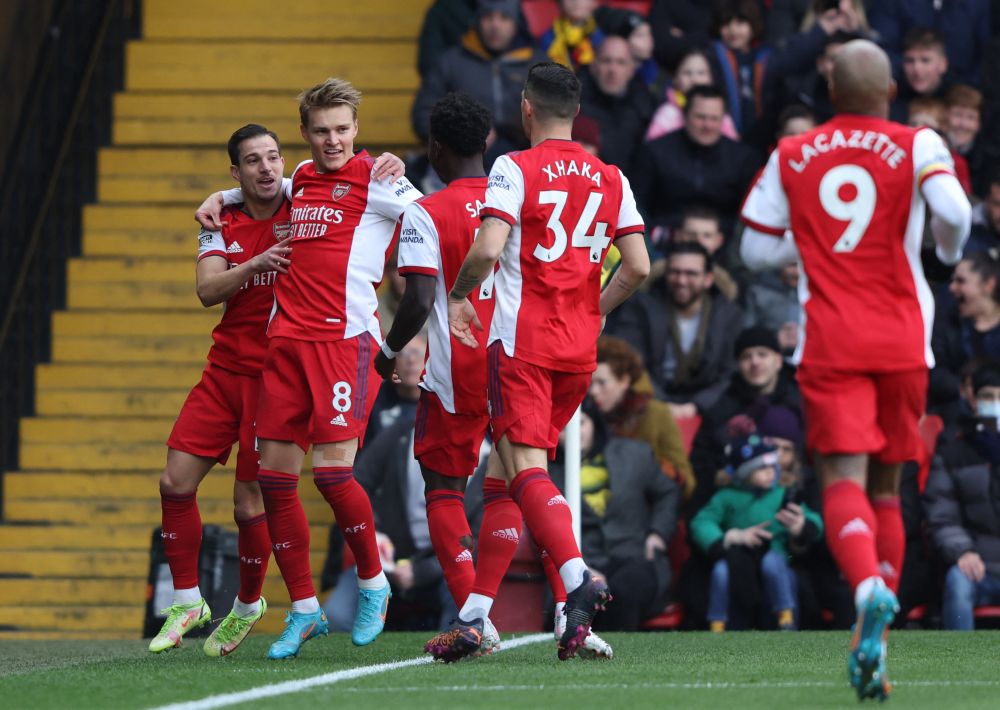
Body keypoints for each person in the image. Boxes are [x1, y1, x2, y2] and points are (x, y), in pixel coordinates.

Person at [739, 39, 971, 700]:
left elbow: (754, 247)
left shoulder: (792, 153)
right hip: (904, 339)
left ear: (830, 95)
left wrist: (808, 236)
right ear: (891, 89)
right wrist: (946, 252)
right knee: (889, 487)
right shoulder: (919, 143)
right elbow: (954, 215)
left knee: (839, 476)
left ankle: (866, 588)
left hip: (832, 340)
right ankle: (877, 642)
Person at [379, 91, 616, 660]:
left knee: (443, 492)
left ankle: (473, 618)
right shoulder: (519, 192)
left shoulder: (427, 212)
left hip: (455, 370)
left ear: (435, 148)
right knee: (516, 480)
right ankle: (563, 608)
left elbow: (419, 299)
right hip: (519, 359)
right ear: (488, 141)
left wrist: (389, 354)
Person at [427, 61, 651, 662]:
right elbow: (639, 265)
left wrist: (456, 296)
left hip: (523, 345)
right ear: (576, 112)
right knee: (508, 478)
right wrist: (597, 310)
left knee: (525, 471)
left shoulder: (514, 167)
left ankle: (578, 582)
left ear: (526, 108)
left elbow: (490, 245)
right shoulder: (610, 175)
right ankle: (477, 617)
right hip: (578, 350)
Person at [195, 78, 418, 660]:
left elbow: (433, 217)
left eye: (342, 129)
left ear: (356, 130)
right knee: (272, 482)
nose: (332, 140)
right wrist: (221, 196)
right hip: (285, 344)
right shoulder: (302, 180)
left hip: (344, 346)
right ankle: (303, 609)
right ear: (305, 133)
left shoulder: (381, 180)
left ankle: (373, 583)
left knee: (332, 477)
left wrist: (452, 296)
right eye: (321, 131)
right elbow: (257, 185)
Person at [149, 124, 293, 657]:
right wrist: (254, 262)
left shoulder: (301, 204)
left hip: (275, 377)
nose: (266, 168)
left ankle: (248, 603)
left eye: (274, 156)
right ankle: (188, 600)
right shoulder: (218, 220)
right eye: (253, 161)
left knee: (248, 498)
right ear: (236, 171)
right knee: (174, 481)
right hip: (224, 371)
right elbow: (207, 290)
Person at [549, 404, 680, 631]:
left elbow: (668, 493)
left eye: (580, 423)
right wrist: (578, 567)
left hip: (636, 558)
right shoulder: (543, 472)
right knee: (588, 594)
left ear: (595, 424)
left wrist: (657, 534)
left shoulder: (634, 455)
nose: (573, 432)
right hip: (580, 563)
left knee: (626, 588)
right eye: (563, 427)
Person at [691, 431, 822, 631]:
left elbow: (814, 520)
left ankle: (786, 616)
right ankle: (717, 623)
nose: (770, 472)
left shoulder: (782, 493)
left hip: (776, 552)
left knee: (774, 565)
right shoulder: (726, 497)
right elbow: (701, 522)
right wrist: (730, 537)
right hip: (739, 558)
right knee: (721, 572)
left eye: (772, 466)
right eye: (761, 468)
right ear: (744, 472)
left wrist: (802, 526)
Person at [604, 241, 744, 415]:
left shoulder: (728, 315)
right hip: (650, 404)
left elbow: (731, 371)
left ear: (708, 279)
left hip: (710, 408)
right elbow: (631, 359)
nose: (681, 281)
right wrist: (662, 406)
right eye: (675, 272)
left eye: (691, 273)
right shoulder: (642, 306)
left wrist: (697, 406)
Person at [412, 0, 546, 166]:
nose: (495, 25)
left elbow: (558, 113)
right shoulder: (451, 63)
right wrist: (462, 135)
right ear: (477, 21)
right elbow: (423, 115)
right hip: (464, 160)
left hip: (528, 159)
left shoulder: (538, 64)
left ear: (516, 23)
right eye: (488, 17)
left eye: (504, 17)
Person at [688, 327, 801, 513]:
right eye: (746, 356)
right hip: (733, 505)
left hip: (790, 502)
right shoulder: (722, 409)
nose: (754, 362)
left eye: (762, 354)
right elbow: (702, 462)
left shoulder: (799, 404)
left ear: (778, 361)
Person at [924, 361, 1000, 630]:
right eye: (988, 396)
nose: (995, 403)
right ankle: (958, 665)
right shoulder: (954, 453)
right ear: (974, 401)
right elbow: (942, 515)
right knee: (958, 581)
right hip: (979, 564)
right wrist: (964, 551)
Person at [633, 84, 761, 235]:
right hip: (664, 242)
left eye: (714, 119)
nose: (707, 125)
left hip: (725, 245)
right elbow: (638, 206)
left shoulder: (743, 159)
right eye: (700, 117)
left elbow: (750, 214)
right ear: (685, 116)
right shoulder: (655, 152)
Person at [589, 335, 694, 498]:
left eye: (602, 383)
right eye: (589, 384)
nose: (593, 392)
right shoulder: (586, 418)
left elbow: (685, 482)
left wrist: (649, 468)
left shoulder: (656, 414)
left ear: (624, 381)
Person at [578, 34, 655, 175]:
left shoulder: (646, 107)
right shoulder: (572, 106)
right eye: (606, 61)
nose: (612, 70)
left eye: (621, 62)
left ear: (632, 69)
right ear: (593, 66)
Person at [645, 48, 739, 142]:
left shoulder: (721, 115)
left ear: (711, 78)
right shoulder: (668, 114)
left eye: (701, 73)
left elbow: (733, 149)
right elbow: (652, 148)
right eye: (687, 73)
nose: (694, 79)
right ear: (675, 79)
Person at [540, 0, 605, 72]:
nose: (575, 1)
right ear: (560, 3)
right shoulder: (549, 38)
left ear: (593, 2)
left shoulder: (603, 37)